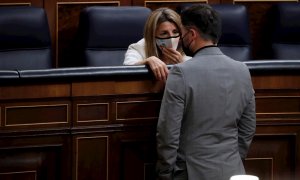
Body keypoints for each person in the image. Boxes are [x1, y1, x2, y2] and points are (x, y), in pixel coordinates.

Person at [156, 4, 256, 180]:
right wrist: (234, 159)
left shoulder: (181, 72)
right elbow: (248, 127)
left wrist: (164, 174)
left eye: (183, 33)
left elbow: (168, 134)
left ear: (192, 34)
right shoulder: (242, 70)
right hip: (233, 170)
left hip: (190, 172)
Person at [123, 8, 191, 81]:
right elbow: (127, 69)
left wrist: (183, 65)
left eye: (175, 32)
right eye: (164, 33)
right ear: (152, 35)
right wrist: (146, 62)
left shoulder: (188, 46)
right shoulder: (139, 47)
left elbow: (196, 77)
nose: (171, 38)